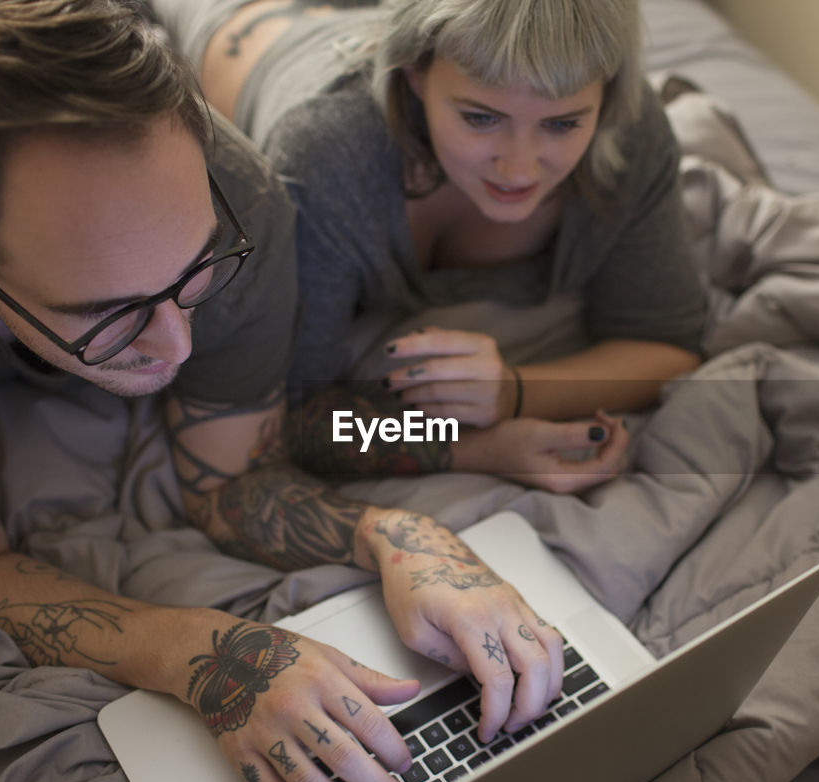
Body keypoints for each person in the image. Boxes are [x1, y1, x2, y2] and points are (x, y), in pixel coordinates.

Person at [0, 1, 562, 782]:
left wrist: (402, 534)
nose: (178, 343)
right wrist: (205, 653)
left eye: (196, 273)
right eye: (108, 313)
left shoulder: (243, 201)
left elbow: (232, 481)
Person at [150, 0, 708, 491]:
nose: (518, 166)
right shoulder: (329, 160)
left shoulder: (629, 134)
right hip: (231, 23)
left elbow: (668, 341)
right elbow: (289, 415)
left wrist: (516, 393)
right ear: (414, 76)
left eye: (562, 124)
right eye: (480, 117)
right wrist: (471, 446)